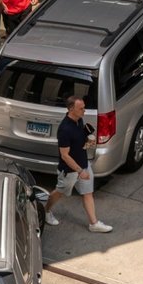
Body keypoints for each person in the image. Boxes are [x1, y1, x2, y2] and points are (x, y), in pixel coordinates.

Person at [43, 95, 113, 233]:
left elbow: (78, 144)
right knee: (59, 192)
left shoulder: (79, 120)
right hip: (69, 171)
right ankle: (45, 211)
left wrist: (88, 143)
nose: (84, 111)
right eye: (81, 108)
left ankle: (94, 223)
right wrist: (80, 171)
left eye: (84, 107)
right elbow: (65, 155)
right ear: (71, 109)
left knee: (88, 193)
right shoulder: (64, 129)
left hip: (83, 164)